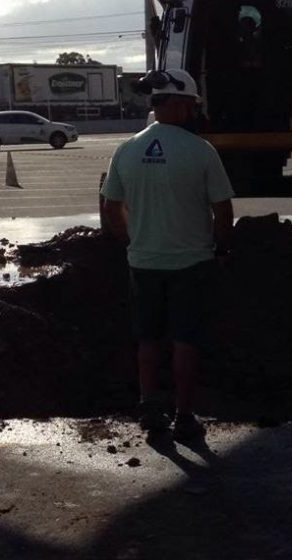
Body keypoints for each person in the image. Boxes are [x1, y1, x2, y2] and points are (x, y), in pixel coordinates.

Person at [101, 68, 234, 439]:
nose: (193, 112)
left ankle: (150, 408)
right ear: (177, 104)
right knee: (185, 340)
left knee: (148, 338)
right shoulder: (200, 150)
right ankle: (184, 416)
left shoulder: (126, 150)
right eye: (190, 105)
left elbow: (112, 206)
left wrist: (133, 242)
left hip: (143, 263)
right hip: (192, 263)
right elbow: (222, 209)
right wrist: (222, 248)